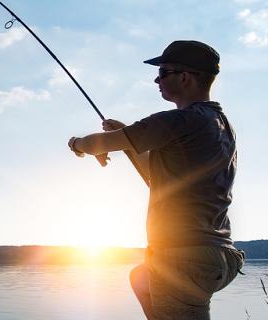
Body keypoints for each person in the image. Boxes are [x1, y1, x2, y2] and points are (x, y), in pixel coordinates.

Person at [67, 40, 245, 319]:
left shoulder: (177, 121)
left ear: (185, 77)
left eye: (163, 73)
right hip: (221, 257)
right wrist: (126, 139)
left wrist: (76, 144)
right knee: (141, 278)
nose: (156, 80)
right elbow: (156, 174)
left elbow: (95, 144)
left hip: (183, 258)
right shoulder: (221, 125)